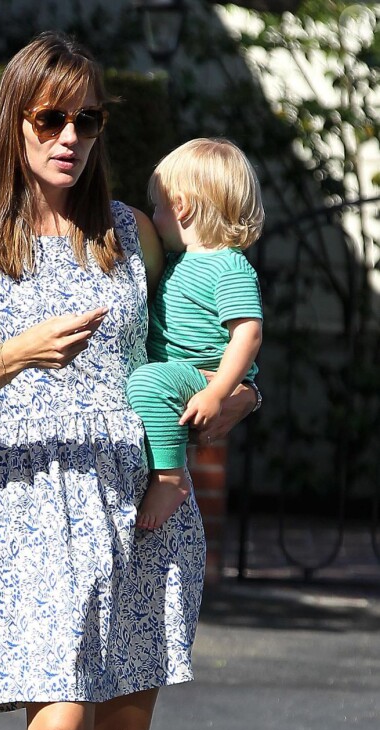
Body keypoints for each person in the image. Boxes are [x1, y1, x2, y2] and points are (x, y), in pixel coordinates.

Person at [0, 32, 258, 730]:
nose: (70, 138)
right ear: (13, 122)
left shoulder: (132, 231)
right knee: (58, 727)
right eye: (51, 118)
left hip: (141, 501)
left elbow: (191, 343)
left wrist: (235, 397)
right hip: (39, 506)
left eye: (87, 122)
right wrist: (18, 354)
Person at [127, 138, 264, 531]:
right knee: (149, 382)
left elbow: (248, 335)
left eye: (158, 207)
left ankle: (171, 479)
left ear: (181, 206)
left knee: (148, 381)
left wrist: (218, 392)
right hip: (181, 373)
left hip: (201, 374)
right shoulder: (177, 260)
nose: (154, 217)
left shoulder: (229, 267)